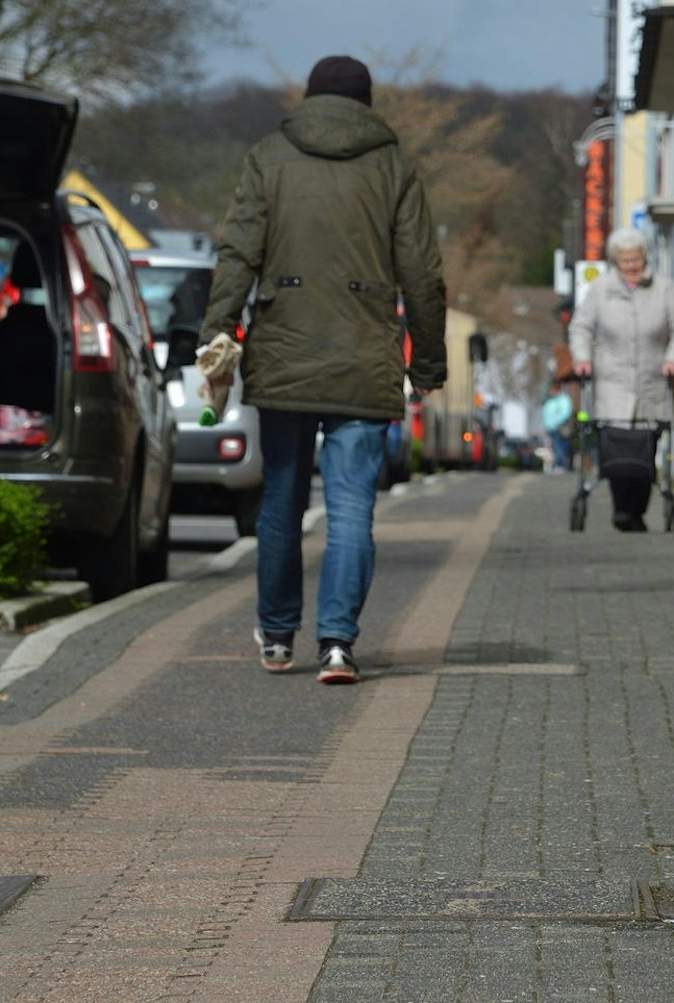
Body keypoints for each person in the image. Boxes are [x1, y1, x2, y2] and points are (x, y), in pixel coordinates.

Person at [202, 55, 447, 684]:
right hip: (364, 355)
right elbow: (420, 271)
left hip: (284, 348)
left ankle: (278, 637)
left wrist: (218, 333)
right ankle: (337, 643)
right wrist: (427, 361)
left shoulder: (268, 156)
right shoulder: (392, 165)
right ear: (366, 104)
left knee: (281, 502)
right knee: (350, 507)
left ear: (309, 98)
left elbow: (238, 252)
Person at [567, 228, 674, 530]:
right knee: (619, 449)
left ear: (644, 257)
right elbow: (581, 328)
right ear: (615, 261)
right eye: (625, 260)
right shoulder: (600, 289)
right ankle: (623, 511)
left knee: (644, 449)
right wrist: (582, 358)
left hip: (653, 381)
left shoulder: (664, 288)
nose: (632, 265)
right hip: (612, 382)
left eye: (636, 259)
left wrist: (672, 360)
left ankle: (634, 511)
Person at [541, 382, 575, 471]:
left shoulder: (563, 399)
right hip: (550, 428)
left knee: (559, 447)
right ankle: (558, 465)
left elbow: (565, 413)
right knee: (555, 448)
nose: (550, 391)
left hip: (559, 427)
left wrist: (556, 422)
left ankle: (560, 465)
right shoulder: (550, 400)